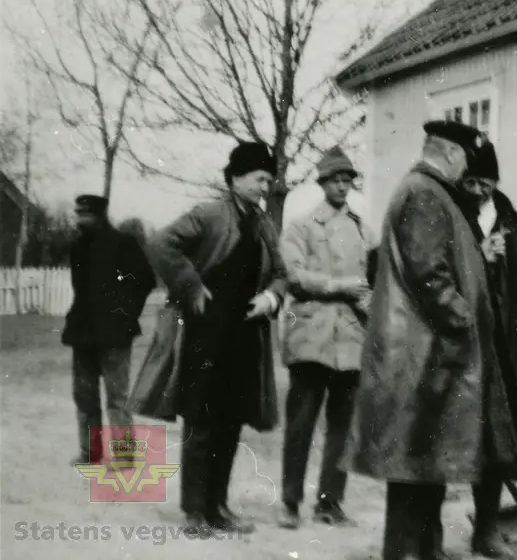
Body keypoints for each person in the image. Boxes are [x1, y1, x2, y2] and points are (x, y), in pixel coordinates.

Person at [342, 120, 517, 560]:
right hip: (422, 355)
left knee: (425, 461)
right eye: (465, 160)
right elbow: (430, 276)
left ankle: (427, 549)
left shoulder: (431, 192)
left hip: (431, 355)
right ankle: (408, 553)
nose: (467, 172)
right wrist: (465, 321)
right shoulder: (425, 193)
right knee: (411, 464)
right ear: (452, 154)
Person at [133, 141, 289, 537]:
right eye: (258, 178)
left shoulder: (266, 225)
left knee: (231, 422)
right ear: (235, 177)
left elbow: (283, 273)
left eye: (269, 180)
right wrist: (190, 285)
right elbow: (161, 243)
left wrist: (270, 297)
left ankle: (218, 506)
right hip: (205, 335)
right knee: (201, 421)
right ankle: (194, 511)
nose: (264, 187)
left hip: (244, 338)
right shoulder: (209, 214)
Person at [460, 141, 517, 556]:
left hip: (510, 357)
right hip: (467, 353)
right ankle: (427, 535)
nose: (477, 190)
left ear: (496, 183)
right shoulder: (455, 223)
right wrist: (480, 260)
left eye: (485, 182)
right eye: (471, 182)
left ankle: (486, 530)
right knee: (455, 439)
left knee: (501, 444)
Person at [277, 146, 373, 529]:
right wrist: (344, 286)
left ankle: (330, 503)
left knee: (343, 428)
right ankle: (289, 501)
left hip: (350, 339)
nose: (342, 186)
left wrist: (367, 299)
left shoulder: (364, 229)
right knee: (300, 424)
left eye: (348, 179)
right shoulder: (300, 226)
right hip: (311, 336)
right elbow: (296, 276)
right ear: (322, 182)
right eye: (336, 179)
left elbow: (375, 277)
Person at [64, 194, 157, 466]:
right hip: (82, 332)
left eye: (86, 214)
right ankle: (90, 452)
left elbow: (146, 280)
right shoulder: (77, 247)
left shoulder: (124, 244)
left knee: (117, 397)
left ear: (100, 215)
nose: (80, 219)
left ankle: (125, 456)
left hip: (115, 334)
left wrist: (127, 313)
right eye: (78, 213)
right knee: (84, 395)